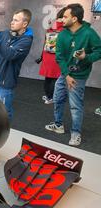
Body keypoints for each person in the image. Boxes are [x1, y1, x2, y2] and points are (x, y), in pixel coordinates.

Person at [45, 3, 101, 146]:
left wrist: (86, 57)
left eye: (65, 17)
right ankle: (58, 125)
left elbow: (98, 51)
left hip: (79, 75)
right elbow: (59, 56)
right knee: (57, 99)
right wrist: (67, 75)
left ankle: (76, 133)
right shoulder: (63, 34)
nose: (62, 20)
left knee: (75, 106)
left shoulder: (89, 33)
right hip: (65, 75)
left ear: (74, 18)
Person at [0, 9, 34, 119]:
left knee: (3, 113)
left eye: (16, 20)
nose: (12, 22)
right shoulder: (6, 33)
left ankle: (3, 135)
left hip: (6, 84)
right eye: (12, 19)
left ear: (25, 24)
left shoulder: (26, 41)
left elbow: (9, 54)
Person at [38, 8, 65, 105]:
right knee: (55, 78)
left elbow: (45, 40)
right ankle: (51, 97)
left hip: (47, 55)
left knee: (48, 77)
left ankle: (47, 95)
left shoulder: (51, 25)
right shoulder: (65, 29)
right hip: (57, 56)